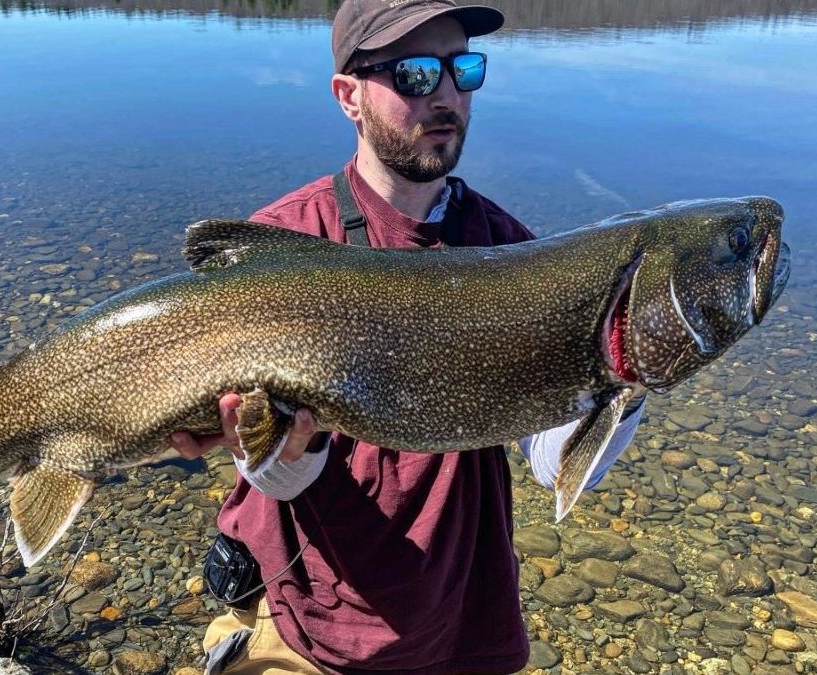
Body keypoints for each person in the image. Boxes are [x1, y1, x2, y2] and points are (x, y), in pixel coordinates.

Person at [171, 1, 647, 672]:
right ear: (349, 97)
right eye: (417, 74)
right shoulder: (289, 243)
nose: (447, 95)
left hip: (461, 618)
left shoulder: (507, 249)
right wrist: (285, 446)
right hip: (318, 627)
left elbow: (551, 462)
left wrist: (627, 370)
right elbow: (267, 475)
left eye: (464, 69)